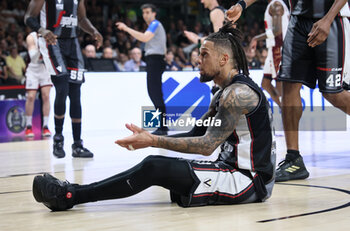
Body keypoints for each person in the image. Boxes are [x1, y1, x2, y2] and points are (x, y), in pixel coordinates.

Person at [32, 22, 276, 212]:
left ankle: (70, 196)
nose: (197, 60)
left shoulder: (237, 94)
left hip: (247, 180)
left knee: (154, 166)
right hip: (231, 171)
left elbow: (206, 145)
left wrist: (154, 141)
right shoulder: (224, 93)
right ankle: (74, 193)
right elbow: (197, 133)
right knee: (165, 174)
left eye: (204, 55)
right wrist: (151, 135)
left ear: (223, 59)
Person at [227, 0, 350, 182]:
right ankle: (294, 158)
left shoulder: (277, 8)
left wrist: (328, 18)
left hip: (332, 20)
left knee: (332, 93)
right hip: (297, 23)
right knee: (288, 85)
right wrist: (242, 4)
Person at [24, 0, 103, 158]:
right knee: (62, 88)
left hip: (72, 43)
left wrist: (93, 30)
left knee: (76, 94)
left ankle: (77, 145)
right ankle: (58, 140)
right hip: (51, 42)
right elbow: (28, 17)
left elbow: (82, 19)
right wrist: (42, 30)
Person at [116, 4, 167, 135]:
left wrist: (127, 28)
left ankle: (162, 127)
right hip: (155, 59)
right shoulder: (155, 25)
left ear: (154, 13)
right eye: (144, 13)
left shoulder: (155, 24)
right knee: (155, 93)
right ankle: (162, 126)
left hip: (155, 60)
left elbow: (144, 38)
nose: (145, 15)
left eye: (148, 12)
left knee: (154, 93)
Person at [249, 0, 290, 107]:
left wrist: (256, 38)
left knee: (279, 83)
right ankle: (283, 108)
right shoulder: (275, 4)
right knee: (265, 84)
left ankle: (287, 113)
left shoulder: (276, 5)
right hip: (274, 48)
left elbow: (277, 31)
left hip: (279, 47)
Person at [184, 0, 226, 95]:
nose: (201, 1)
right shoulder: (222, 11)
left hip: (222, 60)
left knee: (220, 93)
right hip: (223, 59)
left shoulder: (216, 12)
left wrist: (198, 40)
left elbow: (220, 38)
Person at [24, 31, 52, 138]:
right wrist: (42, 46)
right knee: (31, 97)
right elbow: (34, 57)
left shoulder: (50, 35)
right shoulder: (31, 37)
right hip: (33, 68)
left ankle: (45, 126)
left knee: (46, 96)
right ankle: (28, 126)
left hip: (45, 69)